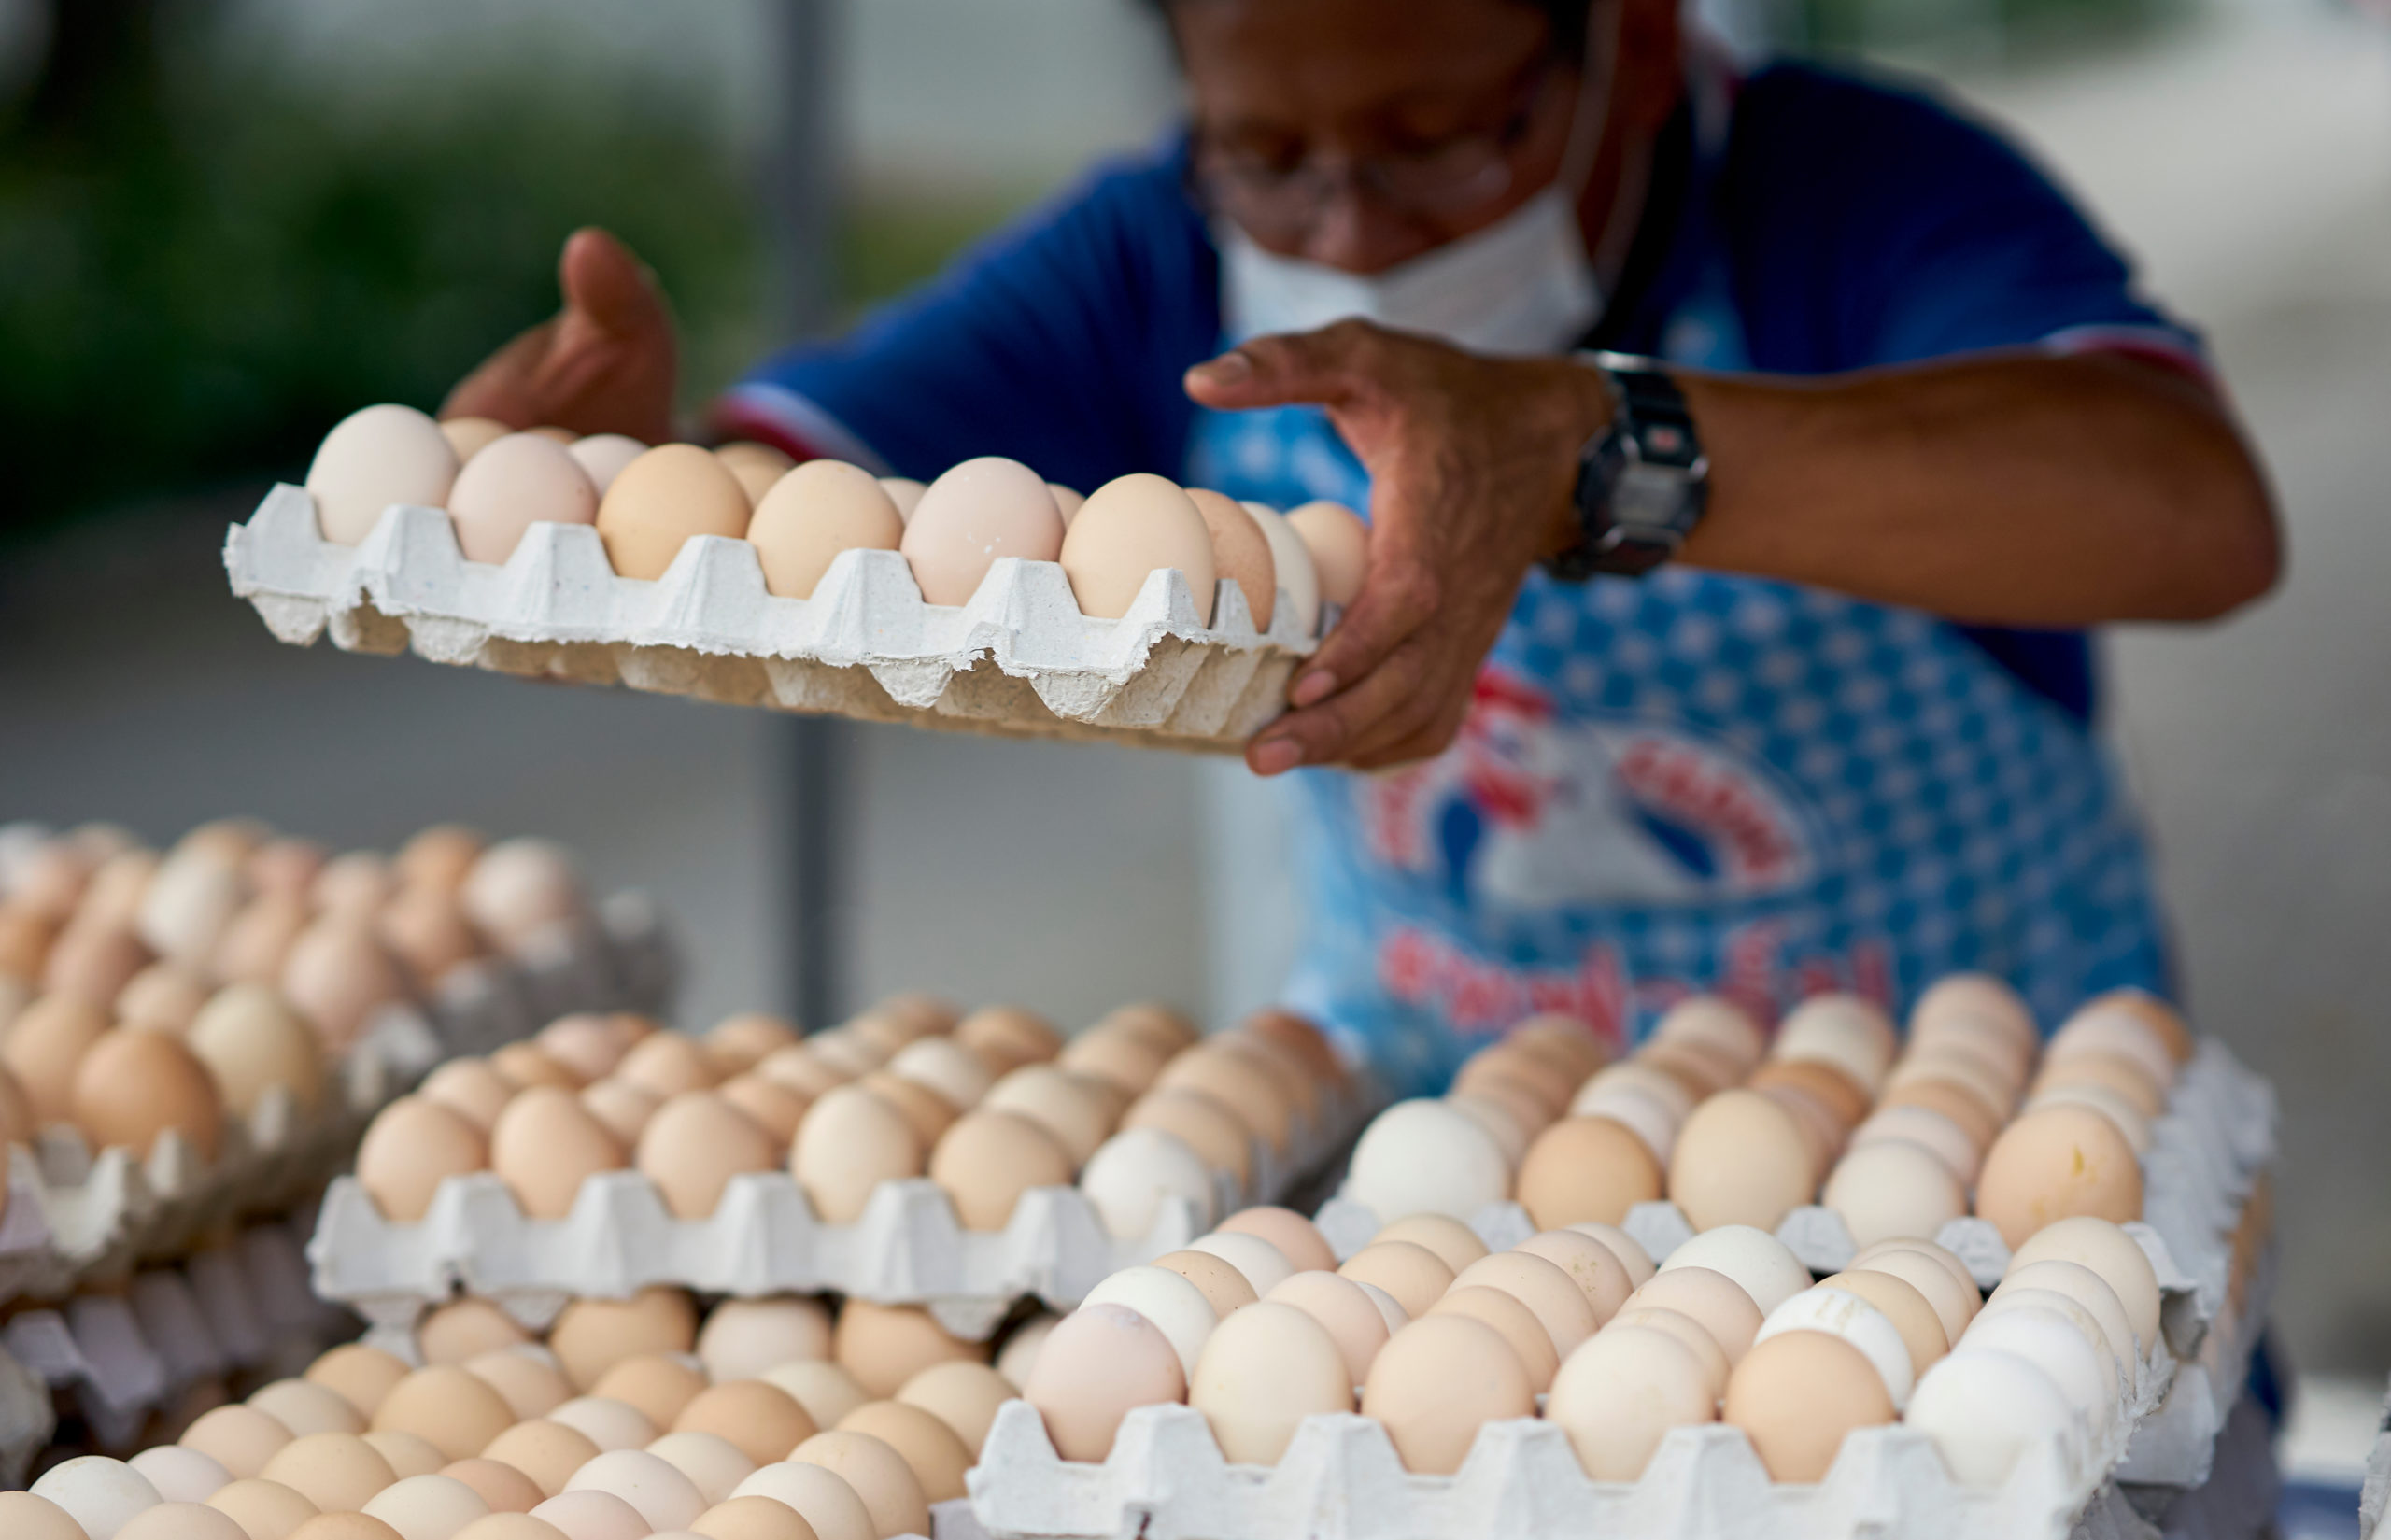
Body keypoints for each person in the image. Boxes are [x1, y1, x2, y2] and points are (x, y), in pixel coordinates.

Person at [446, 0, 2279, 1093]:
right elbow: (786, 515)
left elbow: (2184, 513)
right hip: (1441, 1196)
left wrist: (1590, 444)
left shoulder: (1843, 199)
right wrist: (618, 494)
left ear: (1628, 49)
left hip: (1974, 1174)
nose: (1350, 226)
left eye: (1431, 142)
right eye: (1267, 152)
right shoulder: (1156, 255)